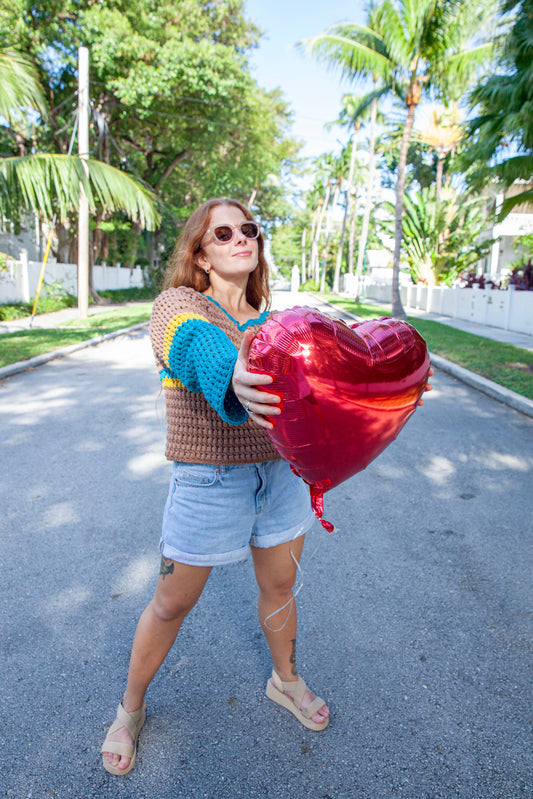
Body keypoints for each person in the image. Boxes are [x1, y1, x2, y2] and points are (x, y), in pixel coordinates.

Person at [101, 197, 330, 776]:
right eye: (222, 233)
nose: (239, 239)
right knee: (173, 601)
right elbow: (196, 344)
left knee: (281, 587)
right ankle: (129, 710)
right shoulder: (179, 305)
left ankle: (286, 680)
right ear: (200, 255)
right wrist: (233, 371)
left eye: (248, 230)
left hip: (279, 477)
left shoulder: (275, 322)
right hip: (208, 479)